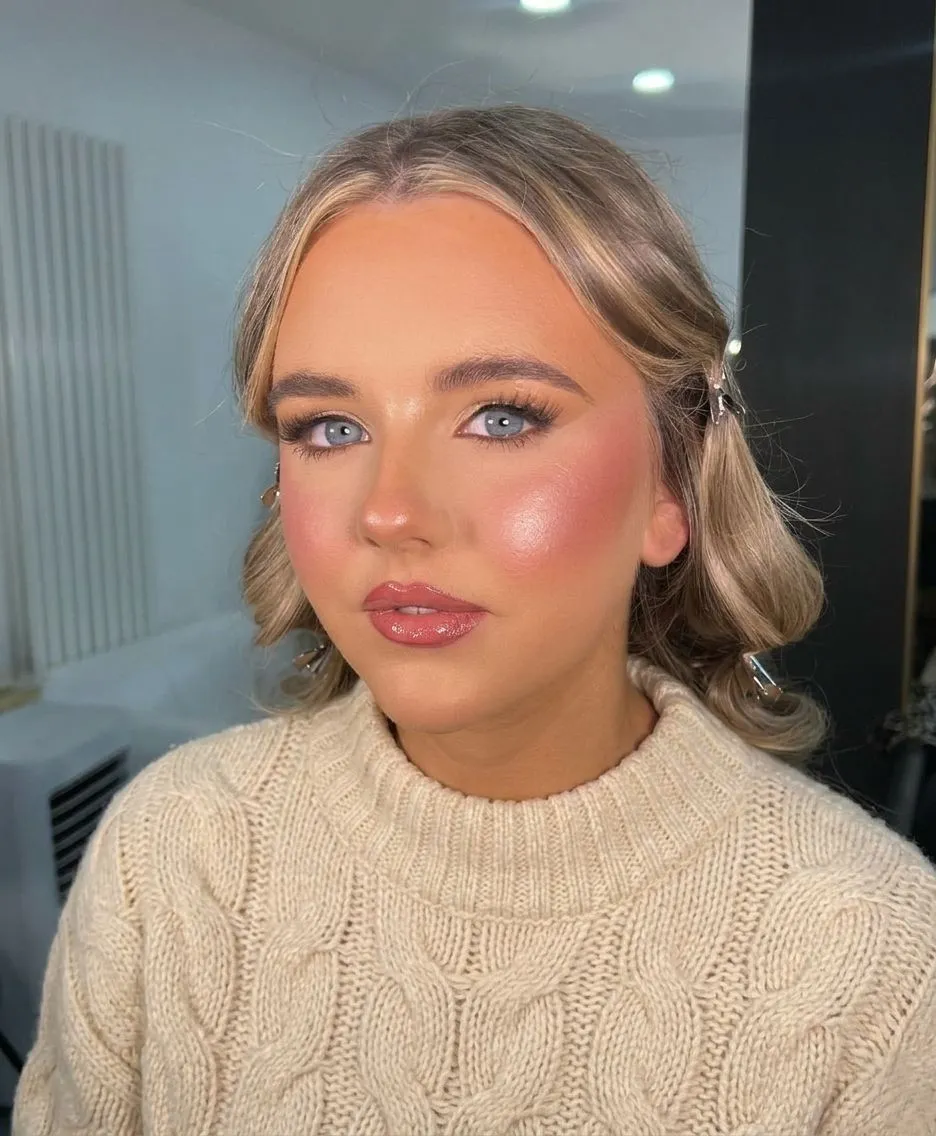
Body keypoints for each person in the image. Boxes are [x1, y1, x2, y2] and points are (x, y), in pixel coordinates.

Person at [13, 106, 936, 1135]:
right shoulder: (170, 854)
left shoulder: (876, 964)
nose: (389, 511)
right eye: (330, 426)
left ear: (671, 484)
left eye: (501, 416)